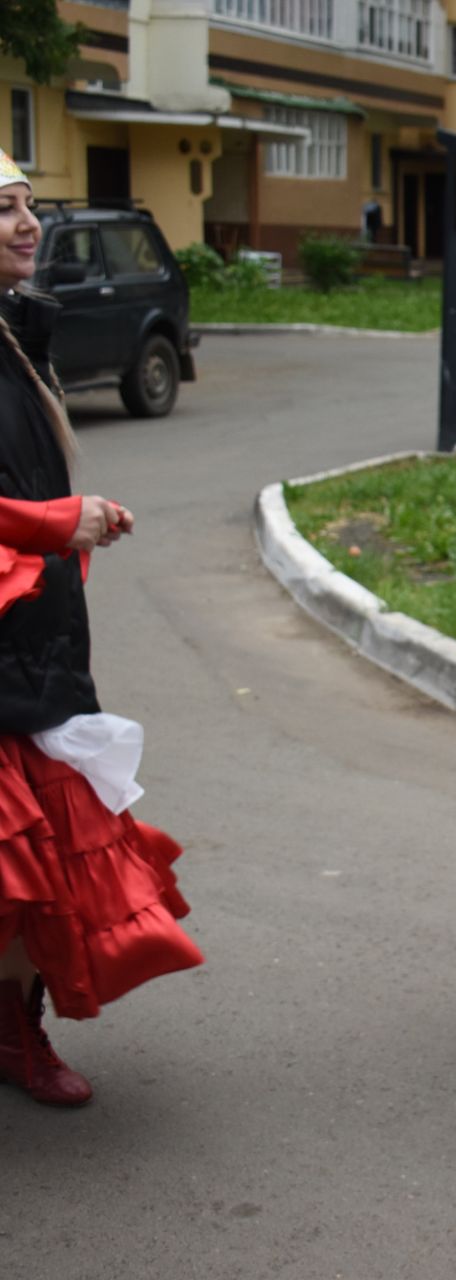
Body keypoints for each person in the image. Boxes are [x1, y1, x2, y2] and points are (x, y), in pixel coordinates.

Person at [0, 149, 202, 1107]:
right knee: (16, 861)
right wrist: (51, 523)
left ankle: (12, 1029)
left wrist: (76, 517)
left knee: (36, 863)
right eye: (3, 211)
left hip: (32, 639)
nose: (26, 225)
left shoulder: (12, 331)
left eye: (28, 207)